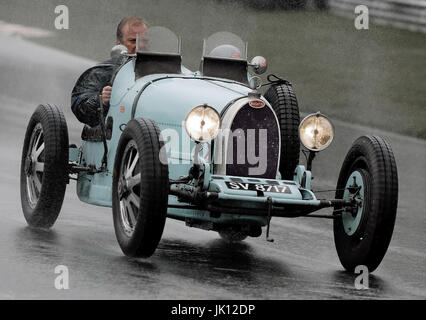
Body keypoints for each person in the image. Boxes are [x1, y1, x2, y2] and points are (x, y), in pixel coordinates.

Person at [71, 17, 148, 127]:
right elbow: (79, 107)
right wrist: (101, 100)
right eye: (133, 41)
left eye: (144, 41)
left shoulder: (162, 72)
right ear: (119, 44)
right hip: (110, 134)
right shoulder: (101, 72)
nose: (140, 45)